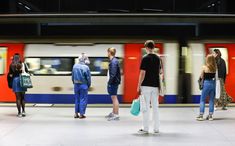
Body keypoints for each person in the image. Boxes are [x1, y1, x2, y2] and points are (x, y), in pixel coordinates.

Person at [137, 40, 161, 134]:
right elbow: (160, 72)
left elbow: (142, 73)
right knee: (155, 107)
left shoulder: (145, 58)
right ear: (153, 47)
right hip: (155, 86)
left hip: (146, 86)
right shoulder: (158, 58)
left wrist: (138, 85)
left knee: (145, 107)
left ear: (146, 47)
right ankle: (156, 128)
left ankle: (146, 128)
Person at [197, 54, 216, 121]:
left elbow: (201, 77)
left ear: (207, 60)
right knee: (211, 100)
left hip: (206, 84)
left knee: (202, 100)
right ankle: (210, 116)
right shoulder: (215, 68)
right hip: (213, 84)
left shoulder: (204, 67)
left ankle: (201, 115)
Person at [72, 53, 91, 119]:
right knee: (83, 99)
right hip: (83, 85)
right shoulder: (86, 67)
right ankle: (81, 115)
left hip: (76, 85)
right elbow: (88, 78)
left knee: (77, 99)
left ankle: (76, 114)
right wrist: (88, 85)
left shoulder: (75, 66)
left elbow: (72, 76)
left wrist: (74, 83)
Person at [105, 47, 121, 121]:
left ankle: (116, 114)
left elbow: (113, 74)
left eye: (107, 52)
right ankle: (114, 113)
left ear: (109, 52)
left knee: (114, 98)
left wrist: (109, 83)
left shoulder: (113, 61)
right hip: (114, 82)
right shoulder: (113, 61)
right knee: (113, 97)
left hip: (113, 82)